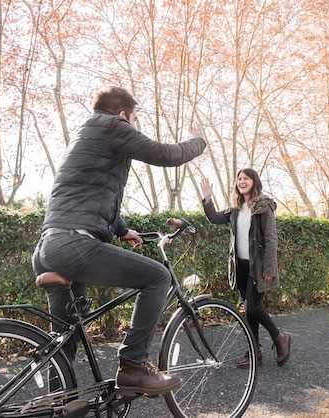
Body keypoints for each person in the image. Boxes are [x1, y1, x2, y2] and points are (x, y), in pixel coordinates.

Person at [32, 86, 206, 396]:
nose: (135, 125)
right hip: (74, 245)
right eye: (135, 118)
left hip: (50, 247)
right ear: (123, 114)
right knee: (158, 276)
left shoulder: (85, 133)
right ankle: (133, 367)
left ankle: (56, 406)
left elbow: (87, 190)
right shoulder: (114, 126)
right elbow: (166, 154)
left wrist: (122, 229)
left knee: (64, 340)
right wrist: (199, 142)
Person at [200, 168, 290, 367]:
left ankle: (279, 337)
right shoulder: (235, 207)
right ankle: (254, 351)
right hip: (239, 266)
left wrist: (268, 268)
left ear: (253, 181)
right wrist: (207, 199)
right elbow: (214, 218)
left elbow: (271, 239)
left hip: (256, 267)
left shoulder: (263, 206)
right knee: (249, 312)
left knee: (252, 308)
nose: (241, 181)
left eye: (246, 178)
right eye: (239, 178)